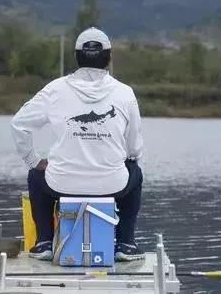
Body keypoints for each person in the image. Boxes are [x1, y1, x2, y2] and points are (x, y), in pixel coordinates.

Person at [11, 27, 146, 262]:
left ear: (76, 57)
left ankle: (44, 242)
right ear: (109, 58)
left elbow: (18, 124)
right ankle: (125, 243)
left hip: (60, 184)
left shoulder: (54, 90)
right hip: (112, 186)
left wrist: (34, 160)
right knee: (135, 171)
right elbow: (134, 149)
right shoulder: (125, 93)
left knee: (35, 173)